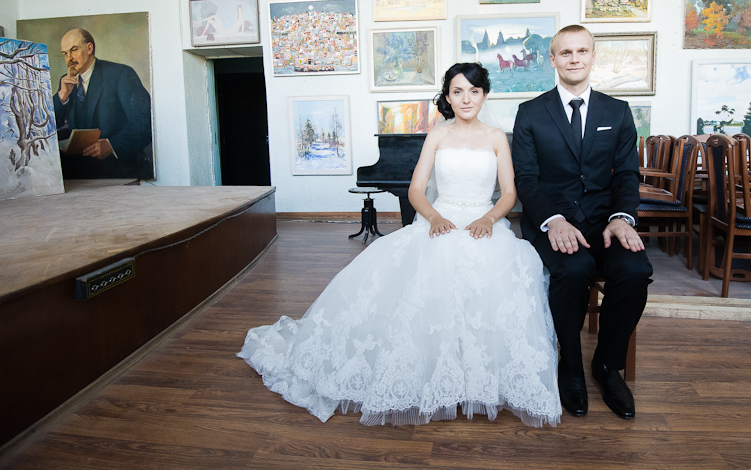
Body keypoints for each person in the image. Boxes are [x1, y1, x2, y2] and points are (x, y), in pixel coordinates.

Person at [238, 63, 562, 427]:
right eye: (458, 91)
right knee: (433, 270)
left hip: (482, 221)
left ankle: (477, 376)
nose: (466, 99)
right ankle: (434, 370)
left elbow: (510, 193)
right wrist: (434, 218)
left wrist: (488, 219)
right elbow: (416, 191)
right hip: (440, 218)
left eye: (474, 91)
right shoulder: (437, 135)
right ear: (448, 96)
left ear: (484, 95)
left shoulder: (497, 137)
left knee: (500, 275)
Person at [512, 24, 653, 420]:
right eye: (566, 52)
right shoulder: (530, 113)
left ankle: (607, 365)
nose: (574, 59)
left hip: (605, 222)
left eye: (582, 51)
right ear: (553, 59)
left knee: (635, 269)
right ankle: (570, 366)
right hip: (552, 221)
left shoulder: (617, 111)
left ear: (593, 56)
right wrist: (554, 220)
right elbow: (527, 179)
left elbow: (627, 174)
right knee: (573, 270)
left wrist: (622, 218)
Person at [53, 28, 152, 179]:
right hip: (76, 173)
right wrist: (62, 96)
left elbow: (145, 123)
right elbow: (49, 127)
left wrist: (112, 145)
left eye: (73, 50)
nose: (69, 59)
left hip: (117, 171)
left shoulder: (121, 74)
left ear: (89, 48)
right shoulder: (66, 81)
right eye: (65, 53)